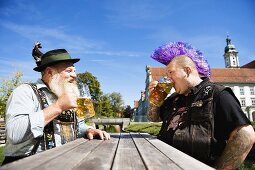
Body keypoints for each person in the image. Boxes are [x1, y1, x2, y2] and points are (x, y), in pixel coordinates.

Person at [148, 42, 255, 169]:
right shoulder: (174, 98)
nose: (168, 78)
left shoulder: (217, 94)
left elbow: (245, 135)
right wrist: (155, 100)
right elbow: (154, 118)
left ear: (187, 71)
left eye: (171, 72)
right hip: (161, 162)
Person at [3, 49, 110, 165]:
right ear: (49, 72)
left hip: (62, 162)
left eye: (74, 71)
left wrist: (88, 130)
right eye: (69, 71)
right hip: (26, 164)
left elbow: (77, 125)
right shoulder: (25, 91)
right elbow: (15, 134)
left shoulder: (64, 93)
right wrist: (58, 107)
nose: (75, 75)